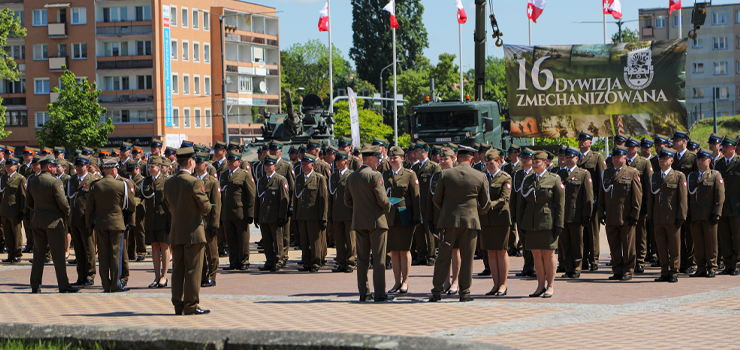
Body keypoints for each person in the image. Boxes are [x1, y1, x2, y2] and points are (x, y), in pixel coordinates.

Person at [429, 145, 490, 303]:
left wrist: (447, 210)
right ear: (471, 159)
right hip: (470, 222)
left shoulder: (445, 174)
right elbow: (485, 203)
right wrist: (476, 213)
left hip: (449, 221)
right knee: (467, 258)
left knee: (443, 256)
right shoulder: (479, 175)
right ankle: (465, 293)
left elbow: (436, 199)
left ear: (457, 157)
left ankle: (436, 291)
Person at [163, 147, 212, 315]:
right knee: (193, 270)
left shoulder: (168, 182)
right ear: (191, 162)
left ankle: (178, 304)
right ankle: (191, 305)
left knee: (177, 270)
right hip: (194, 232)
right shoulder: (195, 182)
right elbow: (205, 208)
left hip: (176, 232)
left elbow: (169, 207)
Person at [345, 144, 393, 302]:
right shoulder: (375, 176)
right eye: (377, 158)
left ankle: (364, 293)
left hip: (359, 222)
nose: (379, 161)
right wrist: (388, 205)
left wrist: (361, 208)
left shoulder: (351, 176)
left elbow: (347, 201)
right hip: (376, 222)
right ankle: (379, 293)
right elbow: (382, 200)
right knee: (379, 259)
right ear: (370, 159)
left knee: (362, 260)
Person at [27, 156, 77, 293]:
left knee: (38, 255)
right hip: (54, 222)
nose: (56, 168)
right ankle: (63, 285)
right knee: (58, 255)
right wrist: (67, 212)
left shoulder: (32, 180)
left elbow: (28, 203)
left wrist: (39, 211)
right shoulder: (55, 181)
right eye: (54, 166)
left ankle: (35, 285)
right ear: (49, 167)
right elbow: (63, 202)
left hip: (38, 221)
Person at [517, 151, 564, 298]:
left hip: (547, 222)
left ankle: (550, 286)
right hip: (531, 222)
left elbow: (560, 204)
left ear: (545, 163)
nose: (534, 164)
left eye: (537, 162)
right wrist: (521, 223)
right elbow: (521, 204)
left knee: (548, 253)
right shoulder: (527, 179)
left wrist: (559, 223)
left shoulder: (554, 179)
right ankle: (540, 286)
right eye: (533, 161)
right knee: (536, 254)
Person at [86, 157, 134, 293]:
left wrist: (88, 223)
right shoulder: (122, 184)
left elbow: (89, 207)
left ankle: (105, 284)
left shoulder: (95, 185)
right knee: (115, 254)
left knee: (103, 254)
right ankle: (115, 283)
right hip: (117, 223)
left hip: (101, 223)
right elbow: (131, 205)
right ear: (114, 170)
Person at [598, 146, 642, 281]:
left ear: (625, 158)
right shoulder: (606, 173)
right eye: (614, 157)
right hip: (611, 216)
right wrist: (601, 212)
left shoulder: (632, 172)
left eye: (619, 157)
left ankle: (628, 271)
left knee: (628, 246)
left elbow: (637, 195)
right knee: (614, 245)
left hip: (626, 216)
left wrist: (635, 214)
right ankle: (617, 270)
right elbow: (602, 195)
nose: (616, 159)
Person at [383, 146, 421, 294]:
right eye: (391, 157)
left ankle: (405, 281)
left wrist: (417, 216)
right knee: (394, 251)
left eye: (395, 157)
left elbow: (415, 196)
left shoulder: (410, 174)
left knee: (405, 250)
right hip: (390, 217)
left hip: (405, 216)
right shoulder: (385, 175)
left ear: (402, 159)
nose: (393, 159)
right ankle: (397, 282)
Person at [647, 147, 688, 283]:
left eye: (665, 159)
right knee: (661, 247)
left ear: (671, 160)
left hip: (672, 218)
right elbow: (651, 198)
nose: (662, 161)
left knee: (674, 247)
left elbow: (682, 198)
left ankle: (674, 271)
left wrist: (681, 216)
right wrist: (650, 216)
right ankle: (664, 271)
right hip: (658, 218)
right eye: (660, 158)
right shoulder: (654, 176)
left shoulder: (678, 176)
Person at [426, 148, 460, 293]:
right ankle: (445, 282)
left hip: (454, 218)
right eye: (440, 159)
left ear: (454, 159)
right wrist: (429, 219)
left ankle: (456, 282)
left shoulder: (459, 175)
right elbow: (431, 199)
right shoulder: (436, 176)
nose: (442, 162)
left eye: (446, 159)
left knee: (455, 250)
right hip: (439, 218)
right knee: (443, 251)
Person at [556, 146, 593, 278]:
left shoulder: (583, 174)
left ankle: (577, 268)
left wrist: (586, 214)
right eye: (566, 157)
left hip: (576, 215)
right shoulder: (559, 174)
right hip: (562, 216)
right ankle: (568, 268)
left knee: (577, 243)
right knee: (565, 244)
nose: (568, 159)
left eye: (571, 157)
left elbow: (588, 196)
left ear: (577, 158)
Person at [479, 149, 512, 296]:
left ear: (498, 162)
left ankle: (503, 285)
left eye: (492, 163)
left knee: (501, 251)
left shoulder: (505, 177)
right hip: (486, 220)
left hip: (500, 219)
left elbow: (505, 198)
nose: (489, 166)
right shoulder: (482, 177)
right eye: (487, 164)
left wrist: (488, 205)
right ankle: (495, 284)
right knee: (491, 252)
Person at [688, 149, 724, 278]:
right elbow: (688, 197)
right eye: (698, 159)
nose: (700, 162)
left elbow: (720, 196)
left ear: (709, 160)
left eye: (703, 159)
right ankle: (701, 268)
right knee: (698, 243)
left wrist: (716, 213)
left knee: (711, 243)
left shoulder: (715, 176)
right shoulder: (691, 176)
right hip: (695, 215)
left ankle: (712, 267)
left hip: (709, 215)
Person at [220, 152, 256, 271]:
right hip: (227, 212)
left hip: (240, 212)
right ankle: (233, 261)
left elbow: (251, 195)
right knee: (230, 239)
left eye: (233, 161)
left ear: (238, 162)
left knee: (243, 239)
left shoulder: (245, 175)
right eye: (229, 161)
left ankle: (244, 261)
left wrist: (250, 213)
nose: (230, 163)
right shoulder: (224, 175)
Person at [67, 156, 99, 286]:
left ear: (87, 166)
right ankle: (81, 275)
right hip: (74, 219)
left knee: (89, 249)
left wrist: (94, 219)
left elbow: (96, 202)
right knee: (78, 249)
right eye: (77, 165)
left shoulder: (93, 180)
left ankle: (90, 275)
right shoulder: (72, 180)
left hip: (87, 219)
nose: (78, 167)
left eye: (81, 165)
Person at [577, 131, 606, 272]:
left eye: (585, 140)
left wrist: (601, 202)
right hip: (578, 200)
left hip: (593, 199)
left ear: (590, 142)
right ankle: (582, 260)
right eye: (580, 140)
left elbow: (602, 181)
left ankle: (594, 260)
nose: (582, 142)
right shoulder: (575, 158)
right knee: (581, 232)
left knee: (593, 231)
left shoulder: (597, 157)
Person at [294, 153, 329, 272]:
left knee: (315, 241)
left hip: (314, 215)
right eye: (302, 164)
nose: (303, 166)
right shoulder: (299, 178)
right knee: (304, 240)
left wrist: (323, 218)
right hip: (302, 215)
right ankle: (306, 262)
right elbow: (296, 199)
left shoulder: (319, 178)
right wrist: (295, 215)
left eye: (305, 164)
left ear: (312, 165)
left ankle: (316, 262)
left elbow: (323, 199)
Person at [141, 156, 171, 288]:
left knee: (164, 246)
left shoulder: (166, 181)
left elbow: (170, 203)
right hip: (151, 218)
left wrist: (170, 220)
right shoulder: (145, 181)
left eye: (152, 166)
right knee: (154, 246)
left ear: (159, 167)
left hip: (163, 218)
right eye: (148, 167)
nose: (150, 169)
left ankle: (164, 276)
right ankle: (157, 276)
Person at [255, 155, 289, 272]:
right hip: (264, 216)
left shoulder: (280, 180)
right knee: (267, 241)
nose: (267, 167)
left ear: (275, 165)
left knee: (278, 240)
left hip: (275, 216)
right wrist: (256, 215)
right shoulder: (261, 180)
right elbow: (258, 199)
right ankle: (269, 261)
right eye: (265, 164)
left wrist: (282, 216)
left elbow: (284, 200)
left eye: (269, 164)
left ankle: (279, 261)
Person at [624, 137, 653, 274]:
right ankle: (629, 260)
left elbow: (648, 185)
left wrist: (647, 204)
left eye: (632, 147)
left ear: (637, 148)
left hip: (639, 204)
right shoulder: (623, 162)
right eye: (627, 147)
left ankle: (640, 261)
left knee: (641, 235)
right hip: (625, 205)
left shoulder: (643, 163)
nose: (629, 149)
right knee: (628, 235)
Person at [671, 131, 697, 274]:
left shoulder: (692, 157)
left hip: (688, 199)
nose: (674, 142)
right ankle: (680, 262)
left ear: (684, 141)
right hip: (674, 200)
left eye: (676, 140)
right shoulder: (672, 157)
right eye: (674, 140)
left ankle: (690, 262)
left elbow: (695, 179)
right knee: (677, 232)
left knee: (689, 233)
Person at [411, 140, 440, 266]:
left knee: (429, 231)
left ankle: (432, 255)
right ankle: (421, 255)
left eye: (417, 151)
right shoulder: (414, 168)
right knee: (418, 231)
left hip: (428, 204)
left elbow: (435, 187)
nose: (414, 153)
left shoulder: (434, 167)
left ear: (424, 151)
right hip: (417, 204)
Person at [714, 136, 740, 275]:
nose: (723, 149)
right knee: (724, 237)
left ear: (734, 148)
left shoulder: (738, 162)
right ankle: (728, 264)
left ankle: (737, 264)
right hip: (722, 206)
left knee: (737, 237)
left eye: (727, 146)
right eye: (723, 146)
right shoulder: (718, 164)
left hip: (736, 206)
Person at [194, 152, 221, 287]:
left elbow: (216, 205)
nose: (196, 165)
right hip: (196, 223)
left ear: (205, 165)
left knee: (212, 252)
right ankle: (202, 276)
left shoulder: (212, 182)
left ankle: (212, 276)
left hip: (208, 222)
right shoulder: (193, 181)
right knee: (200, 252)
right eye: (196, 163)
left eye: (199, 163)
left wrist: (214, 224)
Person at [329, 150, 356, 273]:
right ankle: (341, 262)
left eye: (340, 161)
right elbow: (330, 197)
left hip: (349, 212)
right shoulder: (333, 177)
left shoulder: (352, 176)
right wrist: (329, 213)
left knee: (351, 239)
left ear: (346, 162)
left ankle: (351, 262)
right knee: (339, 239)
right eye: (336, 161)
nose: (337, 163)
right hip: (337, 213)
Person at [511, 148, 535, 277]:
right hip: (521, 213)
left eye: (527, 158)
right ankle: (527, 266)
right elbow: (514, 196)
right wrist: (513, 213)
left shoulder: (535, 174)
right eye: (523, 158)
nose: (524, 160)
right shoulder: (517, 174)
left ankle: (535, 267)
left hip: (532, 213)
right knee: (524, 241)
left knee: (533, 241)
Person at [1, 157, 25, 264]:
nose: (8, 168)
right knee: (7, 234)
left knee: (16, 234)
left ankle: (17, 254)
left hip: (15, 211)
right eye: (6, 166)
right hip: (4, 210)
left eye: (10, 166)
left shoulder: (20, 178)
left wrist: (22, 211)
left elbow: (23, 196)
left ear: (16, 167)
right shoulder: (3, 178)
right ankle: (10, 254)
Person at [124, 160, 146, 262]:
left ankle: (141, 252)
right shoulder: (129, 179)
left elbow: (140, 191)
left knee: (139, 231)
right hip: (129, 207)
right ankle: (131, 253)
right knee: (130, 232)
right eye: (129, 170)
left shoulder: (141, 179)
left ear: (137, 168)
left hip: (139, 208)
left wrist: (131, 183)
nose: (130, 172)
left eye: (132, 170)